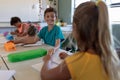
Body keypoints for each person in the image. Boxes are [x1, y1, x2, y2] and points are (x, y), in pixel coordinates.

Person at [41, 1, 120, 80]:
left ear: (75, 28)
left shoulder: (76, 61)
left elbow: (46, 76)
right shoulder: (113, 58)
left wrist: (47, 60)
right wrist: (68, 57)